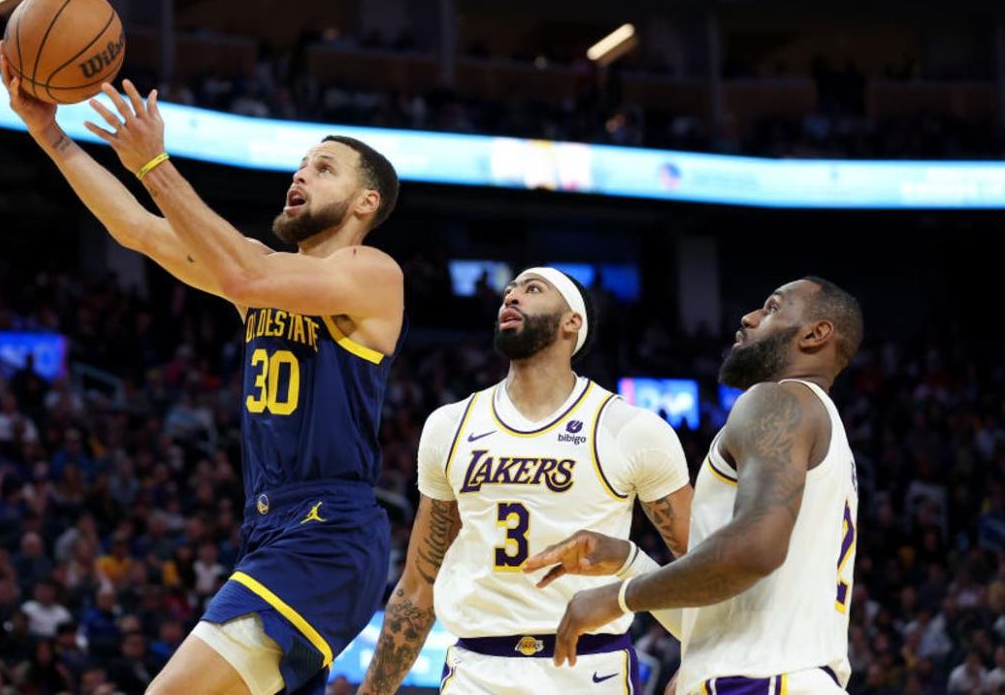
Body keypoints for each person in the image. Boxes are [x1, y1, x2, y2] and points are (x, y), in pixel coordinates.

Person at [0, 43, 405, 695]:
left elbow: (245, 271)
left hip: (327, 529)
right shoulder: (259, 275)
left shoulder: (372, 273)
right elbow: (134, 227)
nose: (299, 178)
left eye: (323, 169)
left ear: (365, 202)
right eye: (299, 166)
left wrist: (155, 164)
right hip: (270, 527)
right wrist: (48, 133)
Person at [359, 268, 692, 694]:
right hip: (478, 670)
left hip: (588, 668)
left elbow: (702, 561)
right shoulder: (450, 425)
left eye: (532, 289)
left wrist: (705, 658)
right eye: (509, 291)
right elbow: (419, 583)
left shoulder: (630, 429)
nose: (511, 297)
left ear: (573, 321)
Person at [527, 277, 863, 694]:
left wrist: (617, 597)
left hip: (760, 684)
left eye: (773, 308)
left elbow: (754, 550)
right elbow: (721, 619)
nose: (749, 317)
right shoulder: (819, 426)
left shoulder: (776, 401)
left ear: (815, 334)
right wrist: (627, 559)